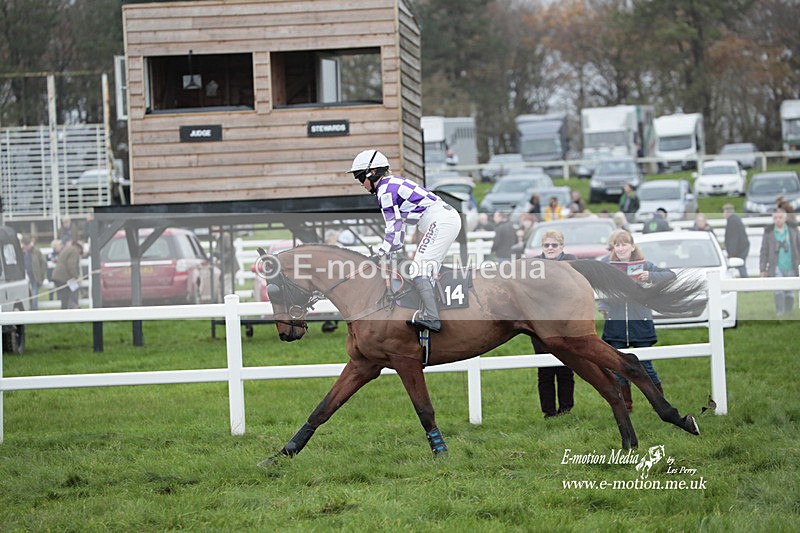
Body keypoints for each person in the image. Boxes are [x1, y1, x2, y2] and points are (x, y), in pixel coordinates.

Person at [350, 149, 461, 332]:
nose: (361, 183)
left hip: (441, 221)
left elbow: (392, 231)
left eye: (361, 177)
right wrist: (386, 252)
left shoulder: (385, 191)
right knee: (424, 269)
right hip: (444, 219)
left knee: (418, 269)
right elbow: (398, 234)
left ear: (372, 173)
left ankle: (432, 318)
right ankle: (433, 310)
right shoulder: (390, 184)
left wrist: (379, 254)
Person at [600, 229, 675, 411]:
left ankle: (659, 403)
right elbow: (599, 287)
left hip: (640, 323)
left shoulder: (645, 265)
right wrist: (603, 305)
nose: (621, 248)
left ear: (632, 246)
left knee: (646, 366)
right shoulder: (607, 266)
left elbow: (670, 275)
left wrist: (651, 276)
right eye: (617, 245)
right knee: (618, 367)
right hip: (616, 325)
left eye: (624, 244)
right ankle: (626, 405)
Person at [534, 230, 577, 418]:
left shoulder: (571, 261)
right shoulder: (534, 264)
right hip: (540, 323)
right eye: (547, 245)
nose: (550, 248)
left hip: (565, 321)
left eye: (554, 245)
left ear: (562, 246)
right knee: (545, 370)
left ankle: (566, 409)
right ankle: (549, 412)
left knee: (566, 367)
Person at [759, 207, 800, 316]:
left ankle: (788, 312)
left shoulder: (793, 231)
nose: (778, 220)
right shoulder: (769, 233)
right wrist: (762, 269)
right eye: (775, 218)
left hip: (791, 265)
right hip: (776, 265)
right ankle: (779, 312)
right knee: (778, 289)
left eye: (780, 217)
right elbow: (764, 251)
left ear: (785, 218)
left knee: (790, 291)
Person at [51, 239, 83, 309]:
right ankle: (73, 308)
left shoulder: (68, 249)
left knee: (65, 297)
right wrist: (76, 276)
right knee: (69, 295)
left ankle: (67, 309)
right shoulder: (75, 251)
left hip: (58, 276)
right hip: (63, 277)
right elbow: (71, 265)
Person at [723, 204, 750, 278]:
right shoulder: (735, 219)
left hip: (739, 250)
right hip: (742, 248)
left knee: (740, 266)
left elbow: (733, 238)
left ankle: (745, 281)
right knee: (741, 266)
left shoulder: (732, 221)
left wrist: (731, 253)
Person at [21, 236, 47, 310]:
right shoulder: (20, 252)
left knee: (34, 295)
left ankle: (34, 311)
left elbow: (43, 263)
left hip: (34, 277)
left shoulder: (36, 252)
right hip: (23, 278)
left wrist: (41, 276)